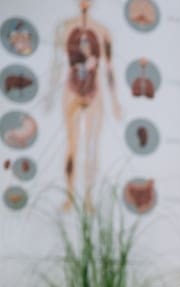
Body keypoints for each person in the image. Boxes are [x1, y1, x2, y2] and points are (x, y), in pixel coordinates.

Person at [49, 0, 122, 207]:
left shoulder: (103, 31)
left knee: (91, 146)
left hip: (94, 91)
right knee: (72, 144)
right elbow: (56, 64)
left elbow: (109, 68)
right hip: (71, 89)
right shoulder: (64, 28)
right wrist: (49, 94)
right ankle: (70, 195)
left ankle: (88, 198)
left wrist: (115, 102)